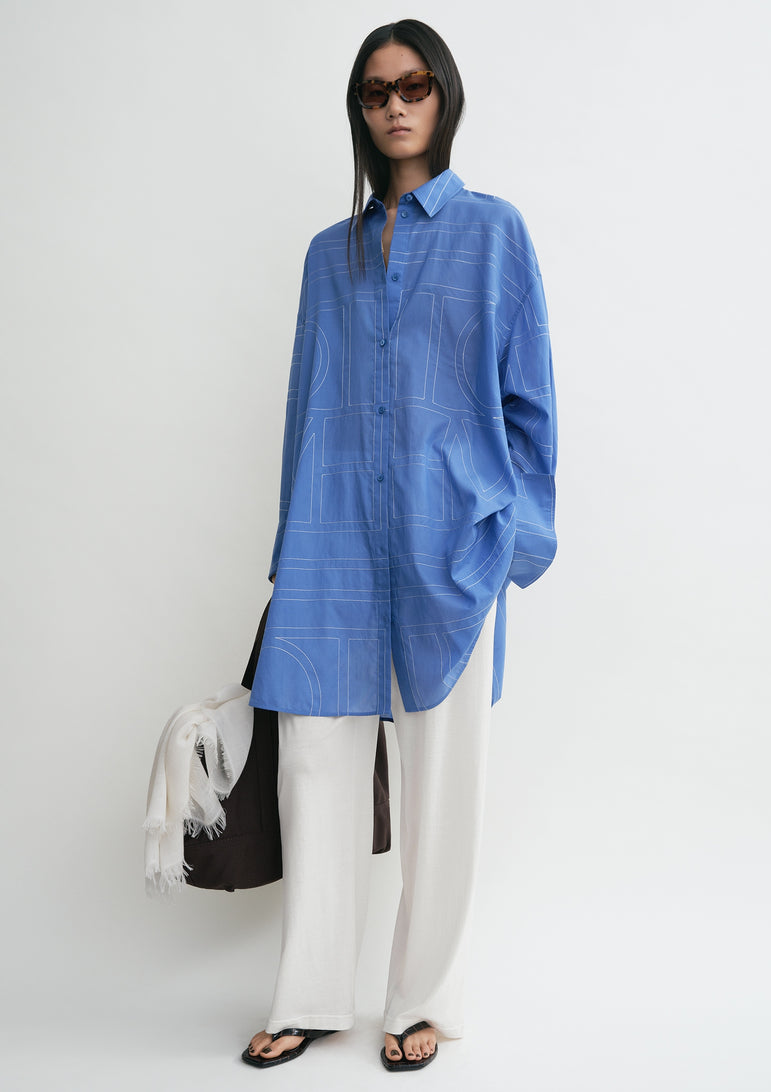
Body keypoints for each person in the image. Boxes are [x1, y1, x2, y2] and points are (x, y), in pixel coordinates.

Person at [241, 18, 557, 1072]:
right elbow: (304, 406)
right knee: (314, 766)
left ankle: (422, 1000)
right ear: (360, 111)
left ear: (444, 94)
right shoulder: (326, 256)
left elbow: (531, 403)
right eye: (375, 91)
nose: (395, 105)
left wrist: (509, 540)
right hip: (331, 537)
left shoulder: (494, 233)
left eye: (414, 84)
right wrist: (288, 552)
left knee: (441, 781)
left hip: (450, 543)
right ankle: (311, 995)